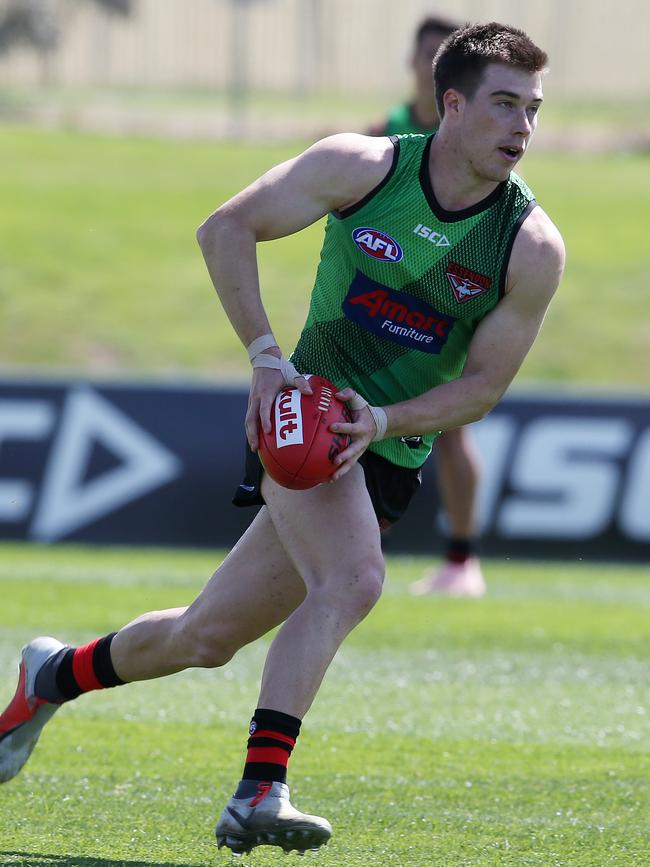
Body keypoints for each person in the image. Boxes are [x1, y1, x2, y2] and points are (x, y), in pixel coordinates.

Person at [0, 22, 564, 857]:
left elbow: (481, 389)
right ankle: (260, 787)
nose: (523, 126)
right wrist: (267, 360)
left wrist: (381, 421)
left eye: (535, 109)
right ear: (452, 105)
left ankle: (47, 675)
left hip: (386, 450)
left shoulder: (530, 244)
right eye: (504, 104)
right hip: (301, 425)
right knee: (356, 576)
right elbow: (223, 229)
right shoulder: (363, 168)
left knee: (204, 636)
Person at [370, 15, 486, 598]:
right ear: (414, 64)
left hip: (447, 305)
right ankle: (352, 549)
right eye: (423, 55)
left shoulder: (479, 145)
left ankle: (462, 562)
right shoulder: (381, 135)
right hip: (379, 307)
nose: (427, 64)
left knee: (451, 426)